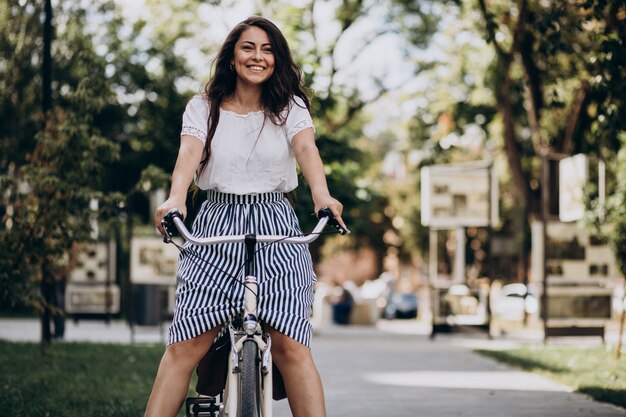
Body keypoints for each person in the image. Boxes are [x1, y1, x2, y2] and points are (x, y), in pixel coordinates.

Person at [146, 16, 346, 417]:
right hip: (217, 222)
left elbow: (306, 150)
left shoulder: (290, 107)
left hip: (277, 222)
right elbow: (189, 153)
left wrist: (323, 197)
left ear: (278, 59)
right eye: (249, 48)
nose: (259, 57)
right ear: (232, 58)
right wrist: (175, 198)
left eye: (268, 49)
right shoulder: (203, 108)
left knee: (291, 345)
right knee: (184, 347)